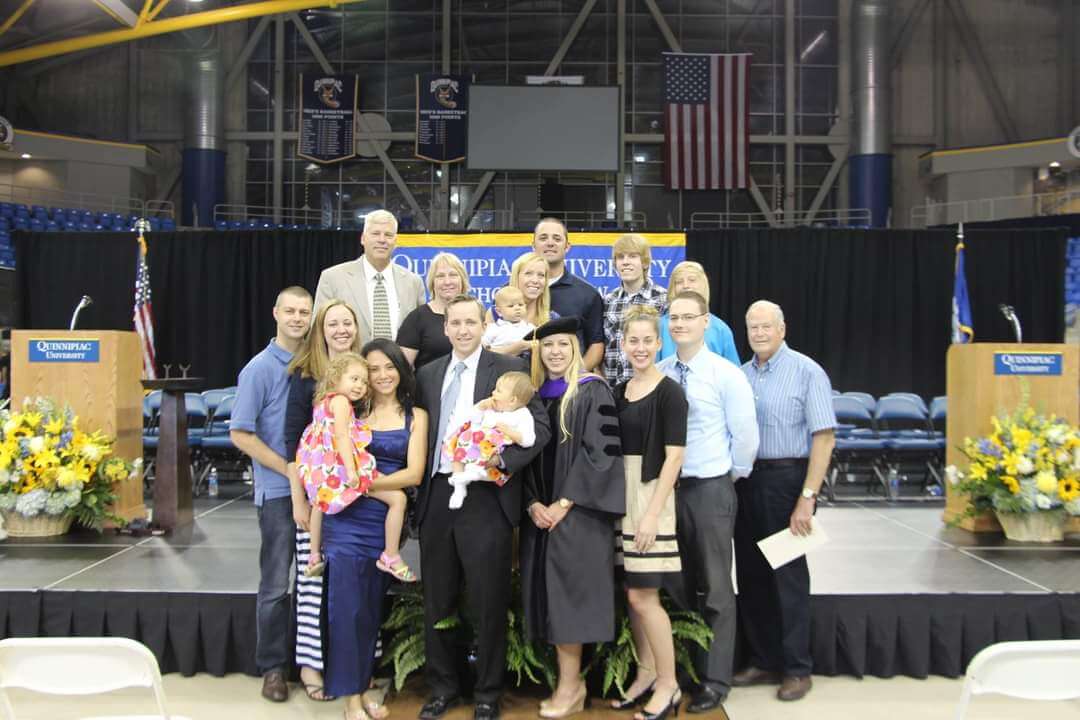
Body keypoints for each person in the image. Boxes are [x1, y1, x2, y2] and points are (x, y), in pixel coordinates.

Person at [415, 294, 550, 720]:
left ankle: (488, 692)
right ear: (446, 328)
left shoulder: (508, 370)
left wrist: (503, 462)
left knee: (488, 599)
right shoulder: (428, 373)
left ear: (482, 324)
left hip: (488, 496)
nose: (462, 330)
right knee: (437, 597)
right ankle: (443, 687)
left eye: (470, 322)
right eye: (454, 323)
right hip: (438, 492)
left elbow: (540, 428)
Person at [656, 291, 758, 716]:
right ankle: (682, 673)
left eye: (687, 317)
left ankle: (716, 680)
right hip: (667, 493)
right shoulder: (660, 373)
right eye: (673, 318)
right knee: (675, 589)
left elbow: (746, 438)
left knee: (716, 589)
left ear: (705, 321)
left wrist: (725, 476)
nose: (679, 324)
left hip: (710, 488)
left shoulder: (725, 374)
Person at [521, 316, 625, 719]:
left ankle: (571, 686)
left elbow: (600, 454)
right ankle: (568, 684)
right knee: (549, 600)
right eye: (548, 346)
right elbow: (526, 458)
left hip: (577, 516)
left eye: (563, 344)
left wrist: (563, 504)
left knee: (571, 602)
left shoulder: (591, 391)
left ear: (577, 348)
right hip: (541, 517)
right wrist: (532, 503)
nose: (555, 352)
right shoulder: (534, 395)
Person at [734, 300, 836, 703]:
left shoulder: (807, 372)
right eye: (752, 327)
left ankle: (797, 668)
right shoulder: (741, 376)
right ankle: (763, 659)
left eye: (766, 327)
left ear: (783, 329)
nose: (758, 333)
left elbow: (824, 437)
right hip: (746, 482)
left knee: (788, 579)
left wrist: (807, 498)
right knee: (752, 576)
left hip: (788, 481)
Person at [325, 338, 428, 720]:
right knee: (346, 611)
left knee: (368, 610)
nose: (382, 375)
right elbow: (326, 457)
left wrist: (363, 482)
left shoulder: (415, 415)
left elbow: (413, 473)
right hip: (346, 520)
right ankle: (351, 699)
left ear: (401, 369)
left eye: (389, 367)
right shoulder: (348, 411)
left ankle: (363, 685)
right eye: (373, 369)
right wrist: (352, 485)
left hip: (383, 523)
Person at [229, 286, 313, 703]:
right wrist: (290, 471)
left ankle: (312, 661)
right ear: (276, 313)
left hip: (320, 492)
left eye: (304, 312)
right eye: (291, 311)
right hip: (280, 491)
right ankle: (273, 668)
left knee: (314, 582)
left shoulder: (315, 363)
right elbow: (240, 433)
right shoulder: (260, 368)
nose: (298, 318)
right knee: (277, 582)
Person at [283, 299, 363, 702]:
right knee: (313, 585)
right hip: (315, 496)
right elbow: (293, 446)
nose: (340, 330)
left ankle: (358, 668)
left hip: (356, 502)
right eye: (332, 324)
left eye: (347, 322)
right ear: (321, 330)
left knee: (355, 590)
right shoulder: (304, 377)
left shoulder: (363, 376)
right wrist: (299, 501)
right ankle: (311, 666)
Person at [611, 305, 688, 720]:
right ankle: (645, 674)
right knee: (632, 595)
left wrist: (650, 515)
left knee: (645, 596)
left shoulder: (670, 391)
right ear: (623, 345)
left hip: (650, 499)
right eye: (633, 341)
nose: (640, 348)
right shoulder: (621, 389)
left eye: (647, 340)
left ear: (660, 343)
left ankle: (668, 683)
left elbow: (674, 458)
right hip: (622, 499)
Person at [297, 352, 416, 583]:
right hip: (342, 469)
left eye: (363, 381)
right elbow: (341, 436)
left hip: (322, 470)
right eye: (354, 379)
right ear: (335, 378)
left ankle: (313, 555)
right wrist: (352, 471)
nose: (360, 385)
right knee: (398, 500)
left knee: (319, 504)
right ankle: (390, 555)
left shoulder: (322, 403)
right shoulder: (341, 402)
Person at [314, 209, 426, 346]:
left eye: (388, 235)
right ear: (363, 238)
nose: (382, 240)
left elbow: (422, 333)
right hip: (347, 365)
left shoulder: (413, 282)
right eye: (375, 234)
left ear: (395, 241)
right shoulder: (333, 278)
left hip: (399, 366)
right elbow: (317, 331)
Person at [445, 370, 536, 509]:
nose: (493, 393)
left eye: (498, 391)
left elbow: (528, 440)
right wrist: (481, 407)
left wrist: (508, 431)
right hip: (471, 448)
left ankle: (474, 470)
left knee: (483, 437)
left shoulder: (522, 415)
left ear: (512, 400)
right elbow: (472, 419)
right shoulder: (491, 407)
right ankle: (459, 486)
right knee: (460, 437)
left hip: (491, 462)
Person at [532, 218, 605, 372]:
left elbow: (596, 346)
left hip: (570, 389)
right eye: (543, 238)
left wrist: (571, 379)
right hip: (523, 388)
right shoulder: (514, 291)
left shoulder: (588, 294)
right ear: (533, 246)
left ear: (567, 247)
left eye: (557, 238)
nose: (550, 243)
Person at [602, 234, 668, 386]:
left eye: (632, 256)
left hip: (651, 390)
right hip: (613, 392)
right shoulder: (608, 301)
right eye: (620, 257)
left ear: (645, 262)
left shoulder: (663, 300)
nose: (625, 262)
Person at [657, 262, 740, 366]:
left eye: (692, 280)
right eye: (679, 282)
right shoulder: (660, 326)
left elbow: (733, 372)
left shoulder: (721, 329)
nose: (686, 286)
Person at [398, 252, 470, 369]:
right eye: (440, 276)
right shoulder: (417, 318)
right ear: (432, 282)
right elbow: (402, 369)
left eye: (453, 275)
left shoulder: (475, 314)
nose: (447, 282)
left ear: (462, 280)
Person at [484, 251, 556, 357]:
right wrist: (517, 348)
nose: (535, 280)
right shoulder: (495, 314)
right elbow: (482, 354)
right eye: (528, 273)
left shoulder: (552, 319)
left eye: (541, 275)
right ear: (516, 277)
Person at [480, 287, 535, 351]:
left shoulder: (530, 328)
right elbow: (482, 346)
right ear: (499, 312)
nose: (517, 308)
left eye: (520, 305)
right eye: (511, 306)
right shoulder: (493, 328)